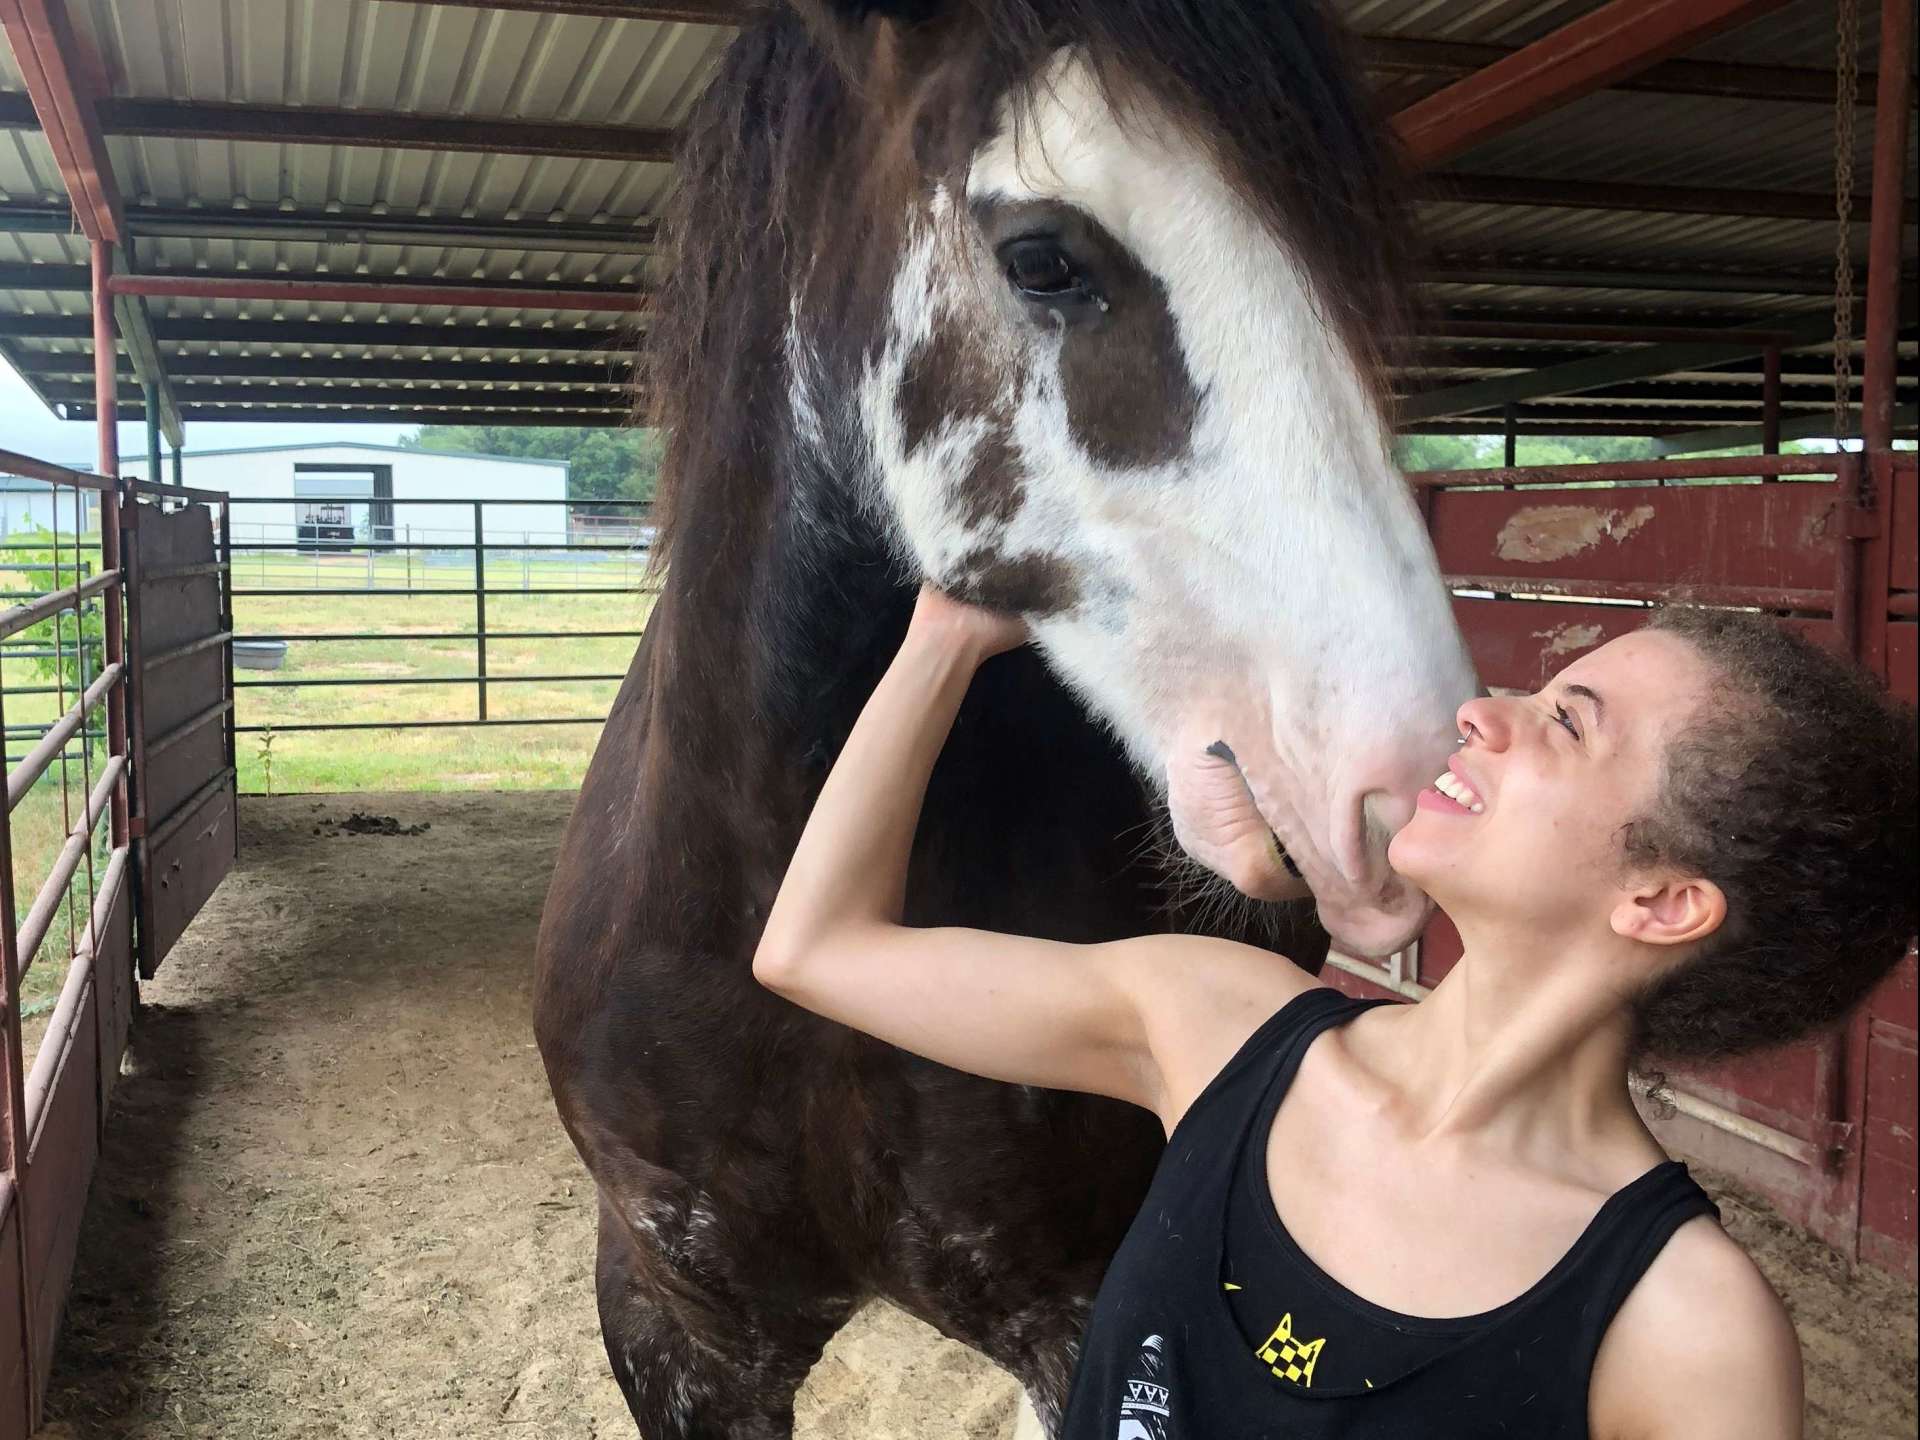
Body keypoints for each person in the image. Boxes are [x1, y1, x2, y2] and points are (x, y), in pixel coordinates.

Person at [753, 586, 1917, 1439]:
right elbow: (818, 950)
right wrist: (945, 636)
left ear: (1662, 903)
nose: (1484, 714)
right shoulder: (1214, 1020)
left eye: (1567, 722)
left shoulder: (1688, 1331)